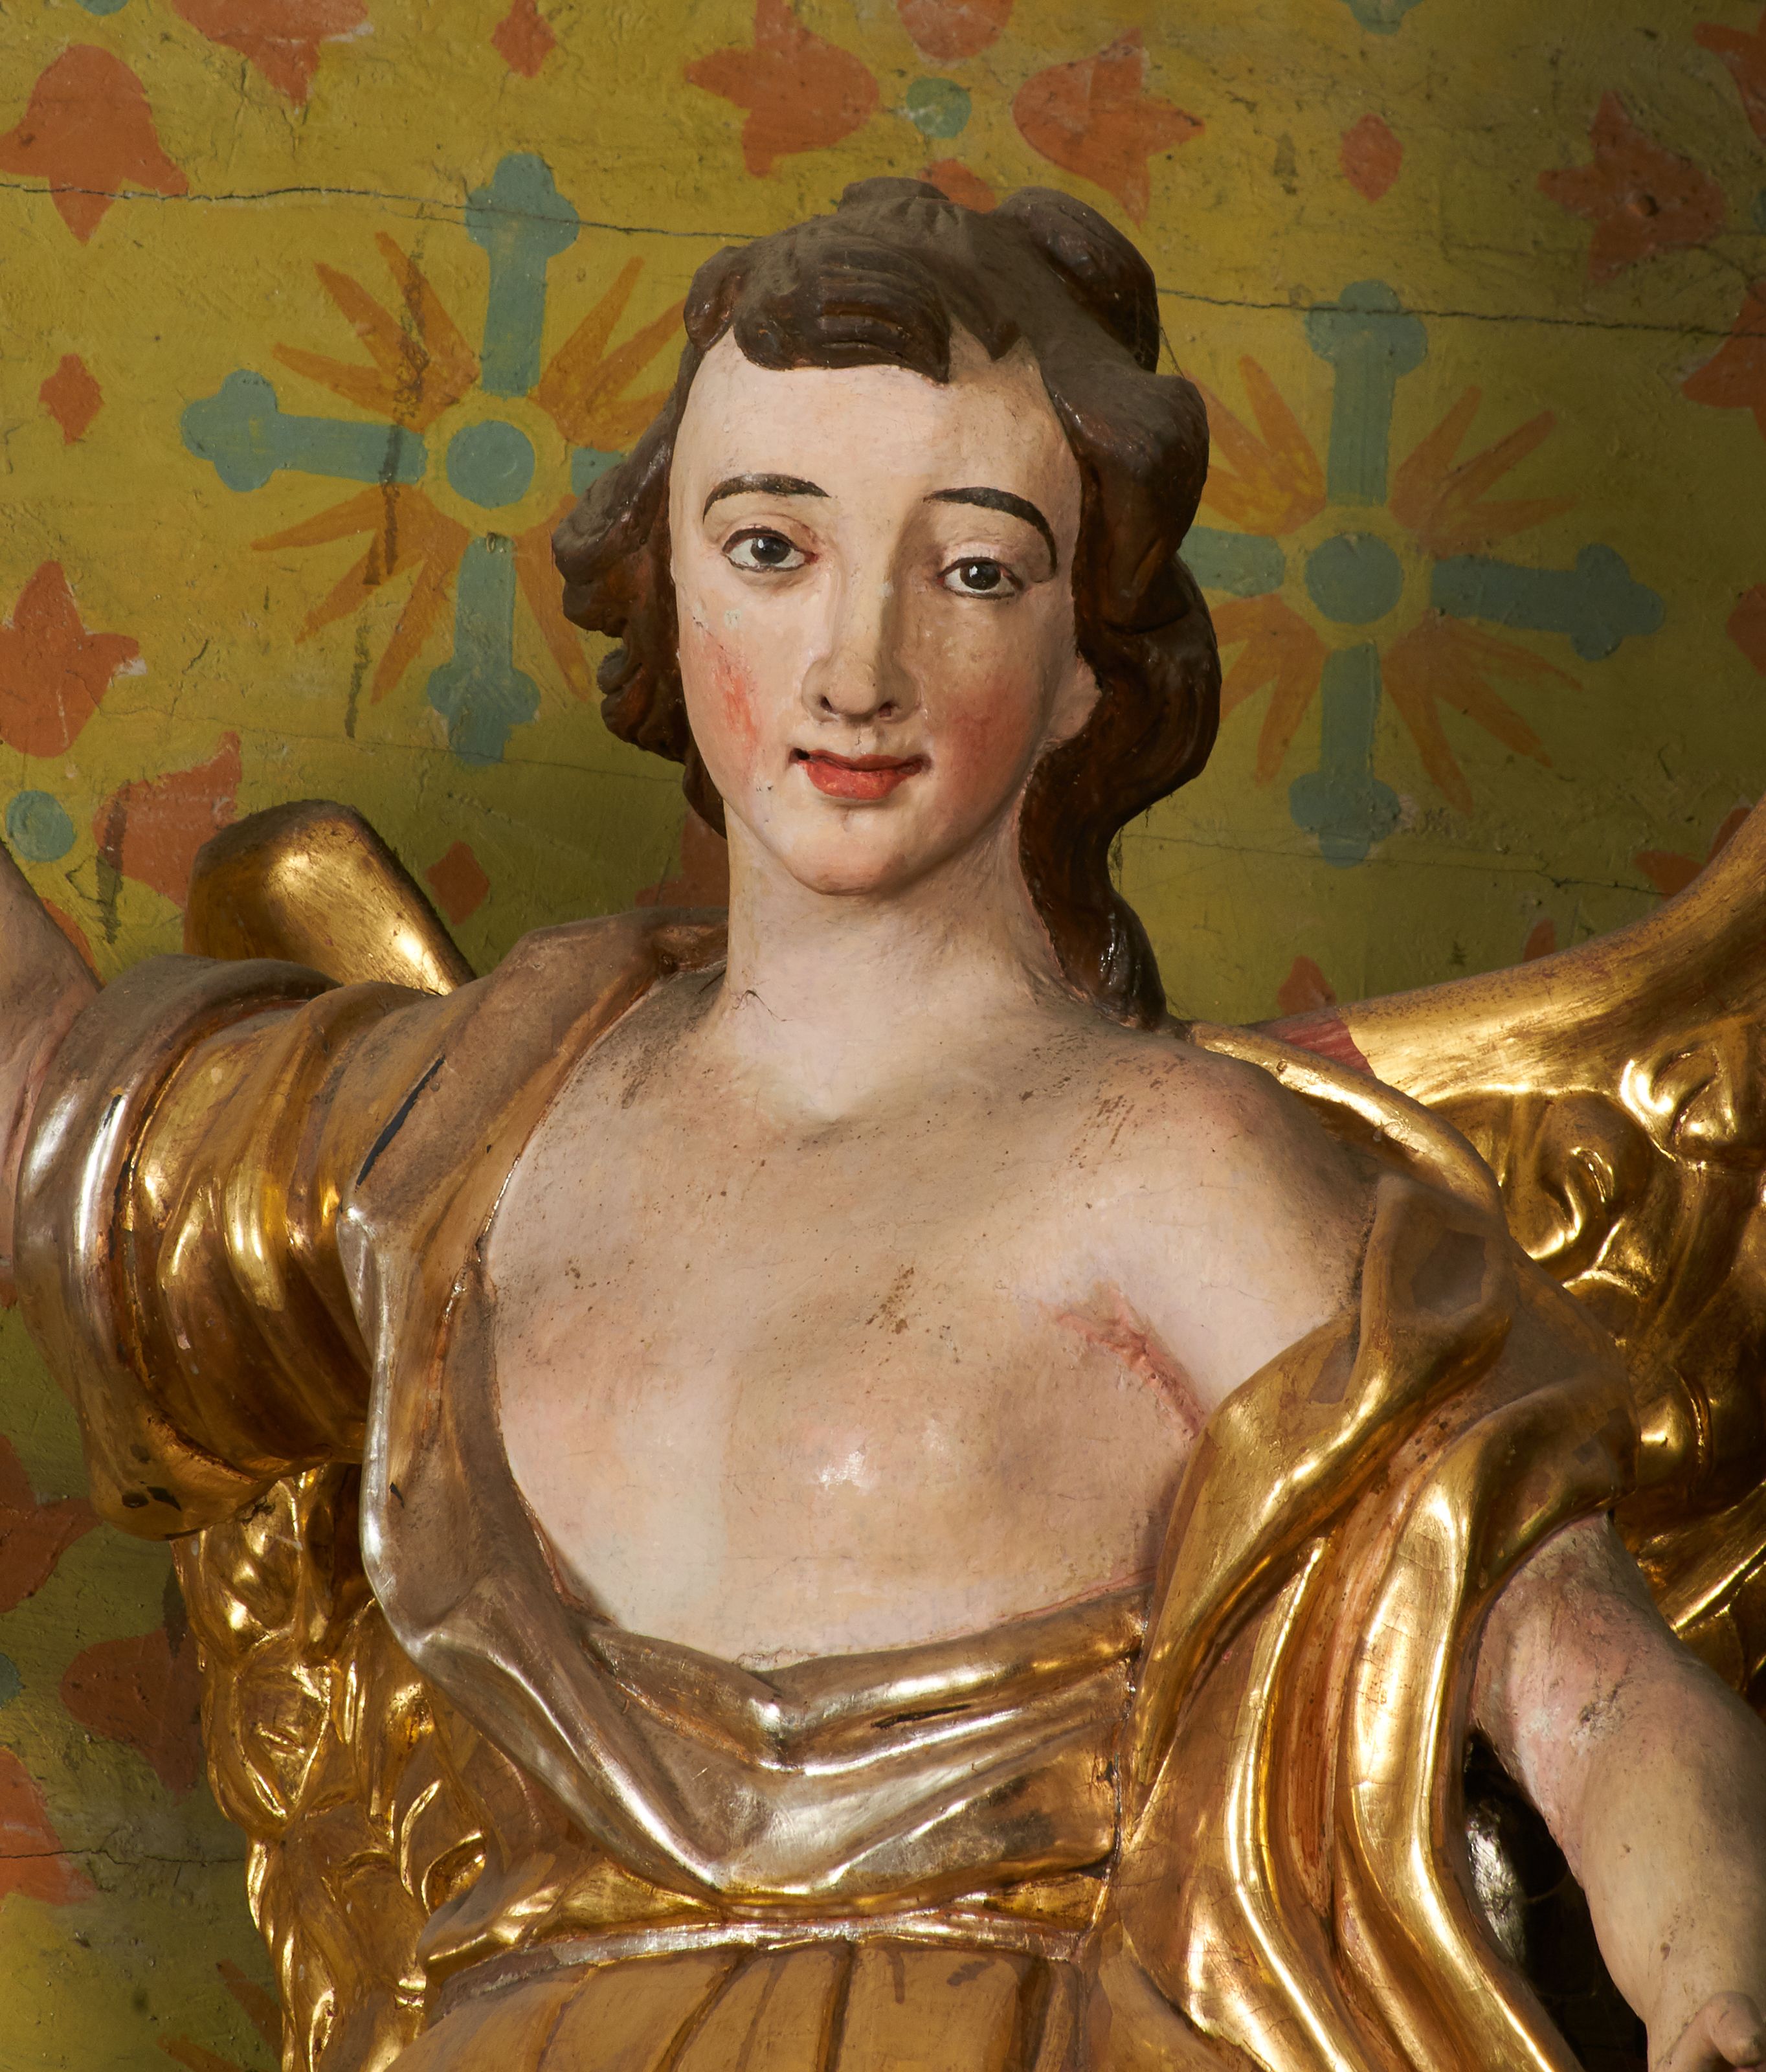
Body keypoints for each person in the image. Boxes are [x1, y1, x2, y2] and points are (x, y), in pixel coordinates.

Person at [4, 178, 1765, 2072]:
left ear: (1088, 660)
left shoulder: (1166, 1165)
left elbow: (1592, 1693)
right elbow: (41, 1093)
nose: (860, 668)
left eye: (977, 572)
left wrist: (1714, 1997)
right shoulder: (464, 1115)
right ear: (666, 590)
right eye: (771, 547)